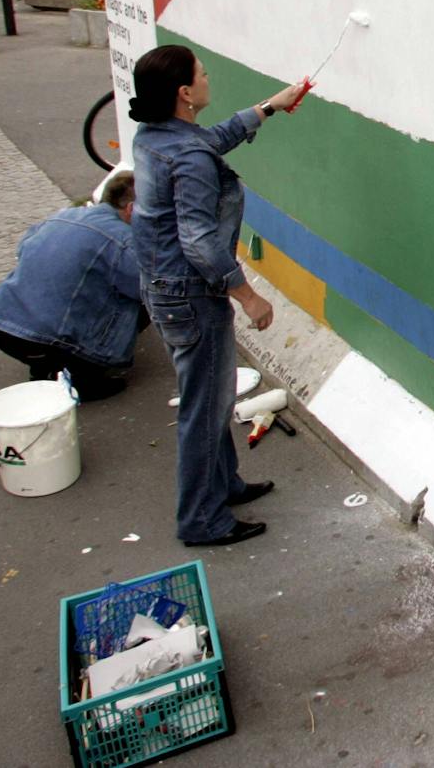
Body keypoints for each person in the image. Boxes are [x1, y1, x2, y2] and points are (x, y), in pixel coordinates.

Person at [128, 44, 302, 547]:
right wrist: (248, 296)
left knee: (212, 397)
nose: (208, 78)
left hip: (164, 289)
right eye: (202, 74)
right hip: (191, 296)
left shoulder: (156, 135)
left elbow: (210, 140)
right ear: (185, 93)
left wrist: (270, 106)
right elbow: (200, 241)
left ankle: (223, 485)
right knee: (204, 410)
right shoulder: (187, 156)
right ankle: (202, 520)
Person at [0, 170, 145, 400]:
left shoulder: (62, 215)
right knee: (148, 299)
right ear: (131, 209)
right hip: (47, 339)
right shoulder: (122, 239)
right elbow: (148, 288)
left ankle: (45, 368)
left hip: (0, 326)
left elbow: (23, 251)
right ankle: (82, 378)